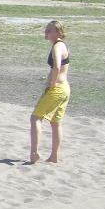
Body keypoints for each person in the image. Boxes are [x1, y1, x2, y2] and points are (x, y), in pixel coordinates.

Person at [29, 20, 70, 164]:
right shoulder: (62, 45)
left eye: (49, 30)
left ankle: (34, 153)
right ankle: (54, 156)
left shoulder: (57, 46)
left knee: (35, 118)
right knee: (55, 122)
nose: (46, 32)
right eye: (46, 29)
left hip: (57, 89)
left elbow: (57, 66)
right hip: (65, 88)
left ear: (58, 32)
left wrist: (52, 84)